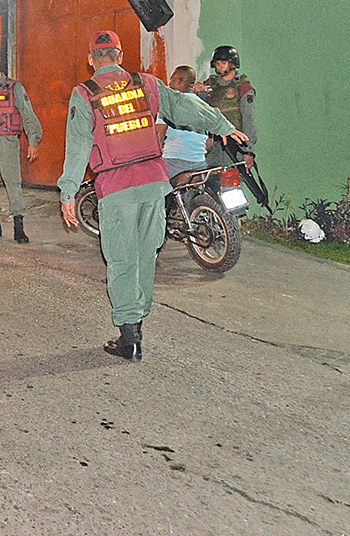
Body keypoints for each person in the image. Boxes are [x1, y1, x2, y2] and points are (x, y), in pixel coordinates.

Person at [58, 31, 247, 362]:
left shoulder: (85, 94)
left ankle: (129, 337)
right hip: (152, 183)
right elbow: (186, 106)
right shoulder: (147, 84)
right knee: (146, 254)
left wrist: (69, 191)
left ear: (91, 59)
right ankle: (137, 325)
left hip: (116, 188)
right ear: (119, 55)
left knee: (121, 259)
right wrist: (222, 125)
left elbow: (77, 145)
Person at [0, 47, 42, 243]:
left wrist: (33, 141)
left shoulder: (14, 88)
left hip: (7, 142)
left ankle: (18, 228)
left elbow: (28, 116)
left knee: (13, 184)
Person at [195, 45, 256, 170]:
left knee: (232, 184)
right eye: (217, 63)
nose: (220, 66)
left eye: (223, 62)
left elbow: (249, 121)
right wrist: (199, 92)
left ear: (232, 64)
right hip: (212, 146)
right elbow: (201, 112)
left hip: (234, 147)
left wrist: (248, 151)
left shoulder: (243, 88)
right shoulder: (209, 85)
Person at [158, 65, 210, 179]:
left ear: (178, 81)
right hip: (199, 163)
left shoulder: (170, 104)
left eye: (171, 80)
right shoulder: (205, 106)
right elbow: (209, 143)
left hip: (174, 161)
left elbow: (159, 135)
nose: (169, 84)